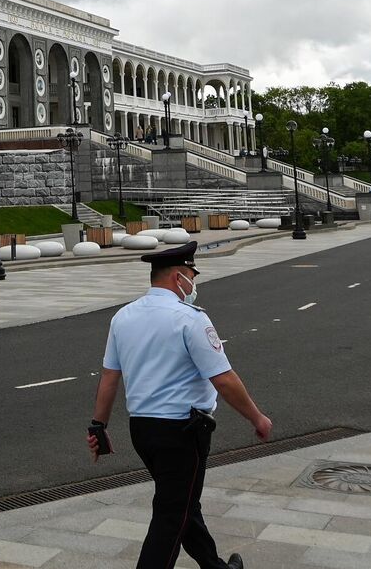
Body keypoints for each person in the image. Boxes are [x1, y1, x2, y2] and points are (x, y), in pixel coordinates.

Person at [88, 242, 269, 569]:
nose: (193, 285)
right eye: (191, 277)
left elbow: (109, 377)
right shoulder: (190, 319)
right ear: (178, 277)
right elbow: (224, 379)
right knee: (172, 514)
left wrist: (98, 426)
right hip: (182, 432)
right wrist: (257, 417)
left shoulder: (123, 317)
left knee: (183, 504)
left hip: (142, 430)